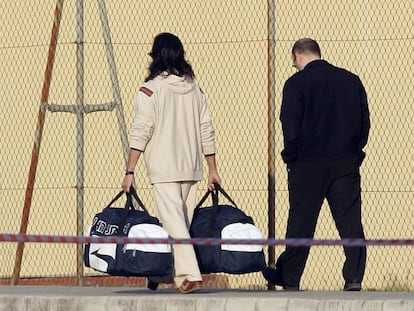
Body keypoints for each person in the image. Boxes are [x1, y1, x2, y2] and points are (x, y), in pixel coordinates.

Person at [263, 38, 370, 291]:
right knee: (350, 221)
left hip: (308, 164)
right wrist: (355, 152)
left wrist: (291, 156)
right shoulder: (350, 80)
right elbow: (364, 122)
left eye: (294, 61)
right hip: (345, 162)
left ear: (298, 54)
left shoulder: (296, 83)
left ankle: (289, 276)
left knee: (301, 222)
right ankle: (354, 277)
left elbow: (290, 123)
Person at [121, 32, 221, 294]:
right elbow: (206, 128)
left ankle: (189, 273)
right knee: (177, 225)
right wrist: (212, 169)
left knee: (175, 224)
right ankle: (166, 273)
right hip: (191, 166)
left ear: (155, 56)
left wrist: (130, 170)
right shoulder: (195, 89)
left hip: (163, 168)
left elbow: (141, 130)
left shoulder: (150, 90)